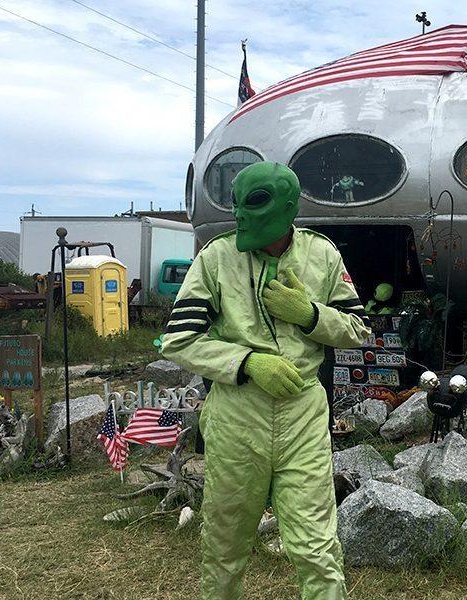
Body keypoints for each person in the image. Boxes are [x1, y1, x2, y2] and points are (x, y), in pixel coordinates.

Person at [162, 162, 370, 599]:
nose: (240, 217)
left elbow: (358, 329)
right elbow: (178, 340)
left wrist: (310, 314)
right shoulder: (217, 258)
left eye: (253, 205)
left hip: (303, 414)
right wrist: (247, 362)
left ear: (288, 207)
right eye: (236, 205)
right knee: (224, 542)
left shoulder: (322, 255)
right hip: (238, 413)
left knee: (316, 546)